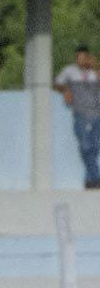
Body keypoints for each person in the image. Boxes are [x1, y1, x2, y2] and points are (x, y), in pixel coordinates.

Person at [54, 45, 100, 189]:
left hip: (97, 113)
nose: (81, 60)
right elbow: (57, 83)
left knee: (94, 146)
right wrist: (66, 90)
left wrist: (96, 68)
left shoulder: (95, 72)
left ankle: (90, 180)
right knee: (85, 146)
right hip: (80, 113)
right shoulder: (70, 71)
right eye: (79, 57)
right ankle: (96, 176)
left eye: (84, 57)